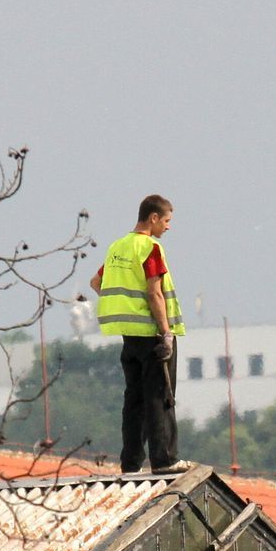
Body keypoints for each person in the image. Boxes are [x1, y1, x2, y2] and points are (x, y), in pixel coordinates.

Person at [89, 194, 190, 474]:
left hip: (129, 337)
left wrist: (126, 307)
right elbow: (154, 292)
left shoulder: (118, 247)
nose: (168, 227)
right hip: (153, 336)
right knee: (161, 396)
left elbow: (96, 282)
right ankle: (165, 460)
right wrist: (166, 333)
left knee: (134, 400)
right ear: (153, 218)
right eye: (167, 220)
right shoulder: (150, 248)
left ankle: (131, 464)